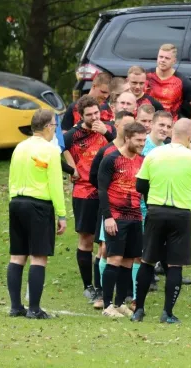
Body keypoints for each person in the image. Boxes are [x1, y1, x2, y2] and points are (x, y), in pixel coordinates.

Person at [132, 118, 191, 323]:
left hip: (156, 211)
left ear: (171, 133)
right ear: (190, 136)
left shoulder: (153, 154)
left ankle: (138, 310)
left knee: (147, 260)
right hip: (180, 214)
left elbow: (140, 185)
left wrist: (152, 200)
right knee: (175, 265)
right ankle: (167, 312)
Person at [7, 109, 67, 319]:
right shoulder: (50, 150)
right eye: (54, 126)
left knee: (17, 256)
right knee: (38, 257)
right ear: (48, 127)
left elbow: (11, 177)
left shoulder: (19, 147)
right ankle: (34, 308)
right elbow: (55, 184)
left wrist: (13, 201)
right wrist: (61, 214)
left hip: (16, 202)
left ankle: (15, 307)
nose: (55, 130)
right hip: (38, 205)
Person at [63, 96, 115, 302]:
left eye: (97, 113)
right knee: (86, 239)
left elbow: (123, 144)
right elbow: (55, 147)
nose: (94, 117)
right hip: (84, 192)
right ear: (81, 115)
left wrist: (106, 132)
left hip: (107, 192)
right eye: (90, 115)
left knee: (104, 241)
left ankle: (103, 286)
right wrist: (70, 165)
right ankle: (88, 286)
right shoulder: (73, 135)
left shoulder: (107, 129)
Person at [97, 122, 146, 317]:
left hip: (136, 216)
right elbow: (101, 190)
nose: (142, 143)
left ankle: (119, 303)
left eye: (144, 140)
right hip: (116, 217)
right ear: (127, 138)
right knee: (114, 259)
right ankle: (107, 305)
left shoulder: (143, 161)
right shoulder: (111, 159)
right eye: (138, 140)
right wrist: (107, 217)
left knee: (128, 261)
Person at [89, 111, 136, 309]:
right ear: (116, 126)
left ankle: (122, 300)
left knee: (128, 257)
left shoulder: (139, 157)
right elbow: (95, 179)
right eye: (125, 126)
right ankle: (102, 296)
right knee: (106, 250)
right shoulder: (108, 153)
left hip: (134, 214)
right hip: (110, 211)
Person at [146, 43, 191, 125]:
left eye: (167, 58)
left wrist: (187, 129)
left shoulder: (181, 81)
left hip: (167, 130)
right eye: (161, 57)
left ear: (174, 61)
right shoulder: (146, 76)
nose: (163, 60)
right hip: (145, 128)